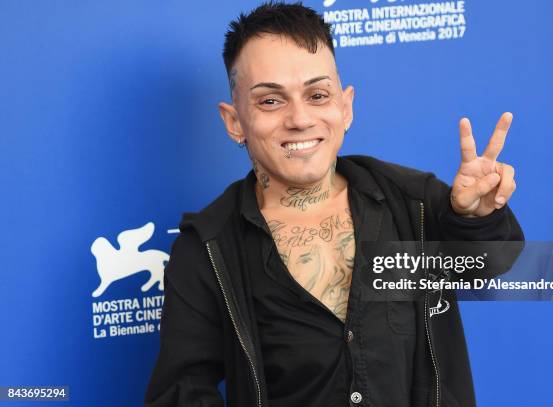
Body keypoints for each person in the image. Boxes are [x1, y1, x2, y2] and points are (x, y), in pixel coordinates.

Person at [144, 2, 523, 406]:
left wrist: (475, 218)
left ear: (346, 107)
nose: (300, 118)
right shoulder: (207, 248)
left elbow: (489, 265)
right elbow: (180, 393)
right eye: (271, 101)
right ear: (234, 121)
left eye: (317, 94)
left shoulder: (412, 202)